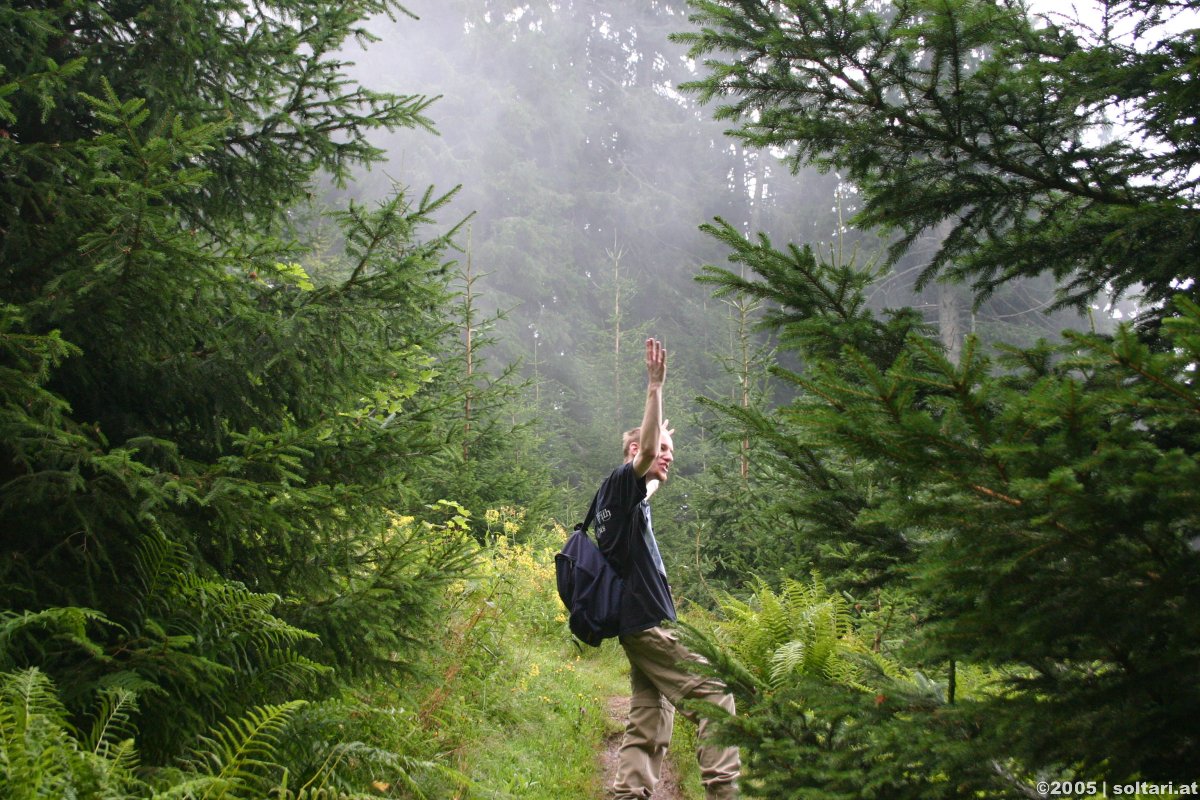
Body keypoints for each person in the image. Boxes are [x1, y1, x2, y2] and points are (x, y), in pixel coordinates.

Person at [593, 337, 740, 800]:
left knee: (650, 716)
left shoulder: (626, 501)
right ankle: (724, 793)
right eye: (662, 449)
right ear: (636, 449)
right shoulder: (621, 482)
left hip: (636, 627)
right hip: (648, 624)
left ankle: (627, 795)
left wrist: (657, 454)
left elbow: (648, 484)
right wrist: (654, 389)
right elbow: (643, 456)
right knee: (715, 695)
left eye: (671, 450)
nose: (669, 456)